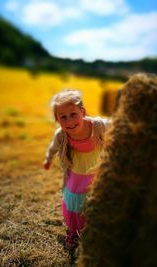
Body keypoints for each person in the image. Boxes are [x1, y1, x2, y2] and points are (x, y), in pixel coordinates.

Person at [43, 89, 110, 250]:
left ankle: (93, 230)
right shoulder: (61, 134)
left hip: (97, 172)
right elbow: (53, 148)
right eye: (63, 117)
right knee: (74, 203)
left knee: (96, 201)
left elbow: (118, 125)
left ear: (83, 112)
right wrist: (48, 159)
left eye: (73, 114)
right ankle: (74, 233)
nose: (69, 121)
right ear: (57, 120)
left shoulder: (98, 126)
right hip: (76, 174)